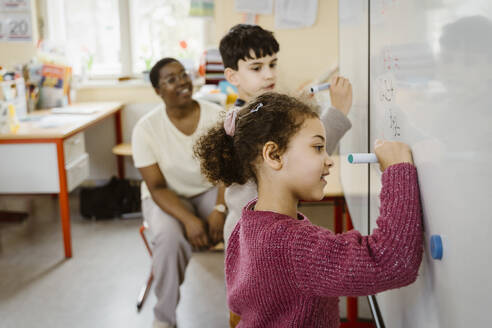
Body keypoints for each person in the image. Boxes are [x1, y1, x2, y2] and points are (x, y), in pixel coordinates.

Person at [194, 92, 423, 327]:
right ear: (273, 155)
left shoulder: (247, 222)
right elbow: (393, 262)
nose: (329, 159)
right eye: (317, 147)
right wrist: (398, 170)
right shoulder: (292, 245)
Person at [218, 24, 353, 245]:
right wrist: (337, 112)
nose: (269, 75)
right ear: (232, 77)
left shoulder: (256, 110)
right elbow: (306, 156)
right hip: (251, 232)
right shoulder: (248, 120)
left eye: (273, 64)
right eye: (256, 68)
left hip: (255, 225)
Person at [132, 58, 226, 328]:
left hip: (210, 190)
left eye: (183, 75)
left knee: (239, 227)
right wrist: (190, 220)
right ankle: (164, 318)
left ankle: (247, 309)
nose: (182, 82)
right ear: (157, 91)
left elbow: (228, 170)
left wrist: (220, 209)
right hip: (167, 197)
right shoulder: (145, 129)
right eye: (171, 79)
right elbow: (157, 187)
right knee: (168, 238)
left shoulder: (216, 115)